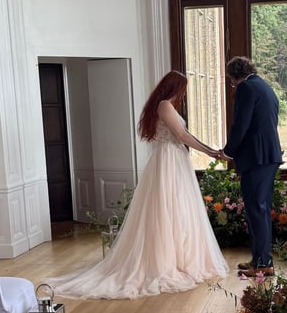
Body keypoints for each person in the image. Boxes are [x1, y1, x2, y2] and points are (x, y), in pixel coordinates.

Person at [49, 71, 228, 300]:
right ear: (174, 87)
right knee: (168, 209)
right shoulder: (165, 105)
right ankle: (166, 261)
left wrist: (211, 150)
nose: (183, 93)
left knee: (177, 209)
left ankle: (179, 258)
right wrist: (210, 153)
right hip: (169, 161)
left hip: (173, 160)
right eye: (182, 88)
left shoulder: (164, 105)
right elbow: (182, 136)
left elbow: (184, 134)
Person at [221, 56, 282, 278]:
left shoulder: (246, 88)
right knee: (259, 210)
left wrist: (228, 151)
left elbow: (241, 124)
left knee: (257, 210)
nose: (232, 85)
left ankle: (263, 263)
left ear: (234, 76)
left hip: (257, 158)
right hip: (267, 155)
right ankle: (259, 259)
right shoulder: (264, 86)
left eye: (231, 81)